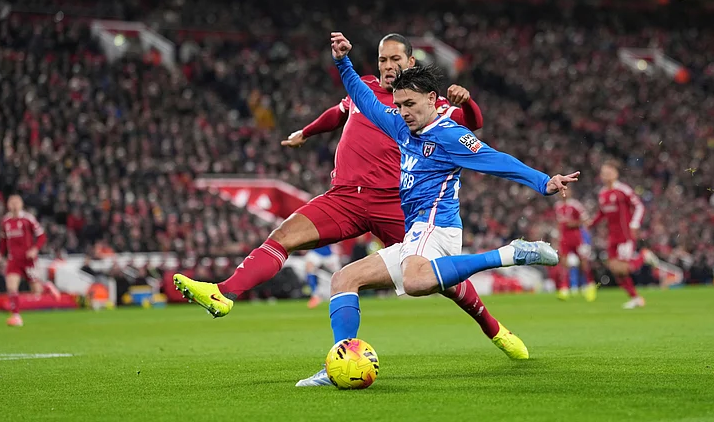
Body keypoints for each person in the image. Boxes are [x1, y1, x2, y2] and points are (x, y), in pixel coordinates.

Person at [174, 34, 506, 339]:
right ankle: (224, 292)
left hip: (395, 203)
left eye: (395, 59)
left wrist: (467, 102)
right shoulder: (363, 88)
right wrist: (306, 132)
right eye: (382, 60)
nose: (388, 66)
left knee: (431, 278)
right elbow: (337, 113)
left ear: (411, 63)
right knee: (283, 236)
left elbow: (472, 124)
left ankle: (493, 328)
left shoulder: (426, 104)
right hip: (344, 198)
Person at [294, 32, 580, 386]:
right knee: (343, 279)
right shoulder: (401, 126)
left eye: (410, 105)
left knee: (415, 282)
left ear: (432, 99)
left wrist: (543, 182)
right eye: (399, 105)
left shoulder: (448, 135)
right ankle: (341, 360)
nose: (404, 113)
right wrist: (342, 62)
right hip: (416, 231)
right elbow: (364, 99)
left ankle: (509, 253)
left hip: (438, 227)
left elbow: (494, 159)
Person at [589, 160, 657, 309]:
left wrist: (634, 223)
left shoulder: (623, 190)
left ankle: (643, 256)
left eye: (609, 173)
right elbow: (602, 213)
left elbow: (639, 206)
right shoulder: (602, 193)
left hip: (625, 235)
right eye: (604, 173)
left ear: (615, 174)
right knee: (615, 270)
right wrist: (591, 223)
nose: (606, 176)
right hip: (612, 236)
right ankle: (636, 298)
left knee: (624, 269)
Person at [0, 195, 60, 326]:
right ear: (8, 205)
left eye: (17, 202)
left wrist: (35, 249)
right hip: (13, 260)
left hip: (28, 260)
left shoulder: (28, 219)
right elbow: (4, 241)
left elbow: (42, 236)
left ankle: (47, 287)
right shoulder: (5, 221)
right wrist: (0, 255)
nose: (14, 205)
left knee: (36, 290)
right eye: (12, 202)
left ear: (21, 204)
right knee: (11, 287)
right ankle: (16, 316)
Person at [554, 189, 597, 301]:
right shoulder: (557, 206)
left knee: (583, 263)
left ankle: (590, 286)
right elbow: (559, 223)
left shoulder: (575, 205)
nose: (563, 193)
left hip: (577, 238)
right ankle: (564, 288)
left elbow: (586, 220)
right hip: (564, 239)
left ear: (570, 192)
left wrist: (574, 224)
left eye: (566, 191)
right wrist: (558, 237)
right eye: (561, 191)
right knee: (564, 263)